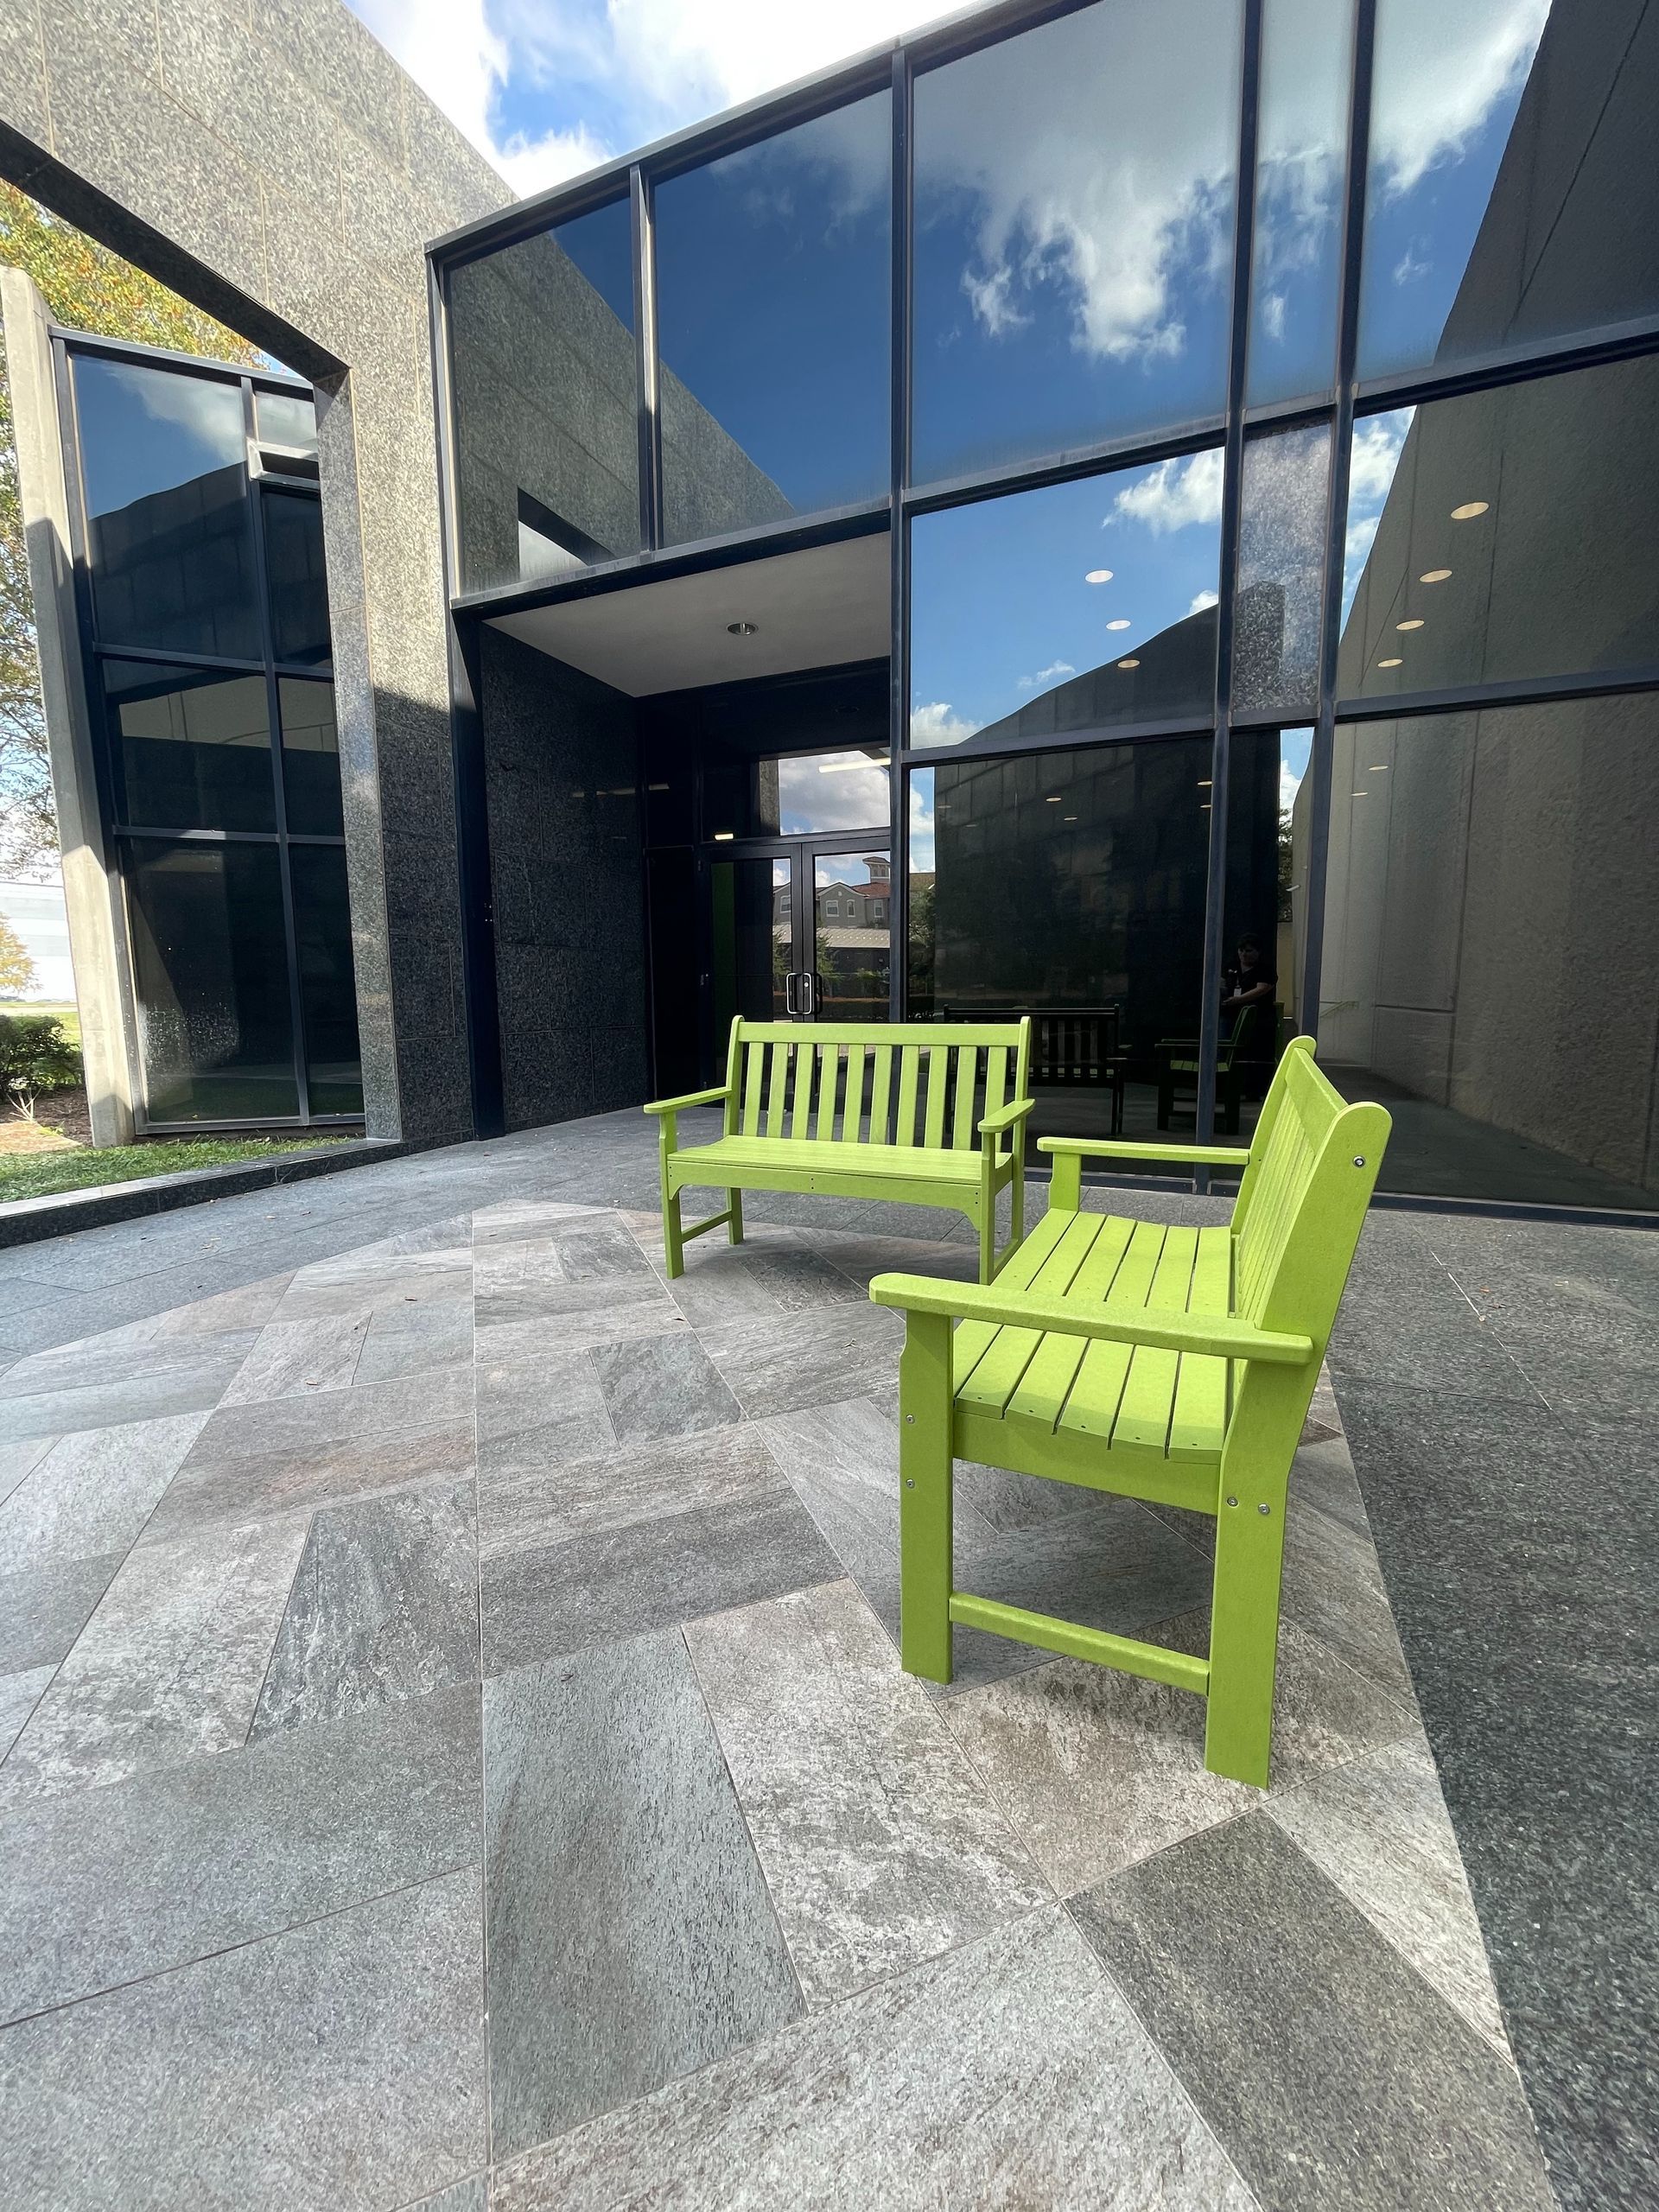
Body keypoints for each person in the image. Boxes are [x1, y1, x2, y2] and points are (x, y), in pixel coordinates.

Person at [1220, 931, 1276, 1022]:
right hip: (1230, 1014)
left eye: (1248, 951)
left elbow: (1262, 989)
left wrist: (1238, 999)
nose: (1244, 954)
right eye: (1241, 951)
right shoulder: (1231, 965)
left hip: (1258, 1016)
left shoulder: (1265, 969)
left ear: (1258, 951)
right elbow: (1221, 980)